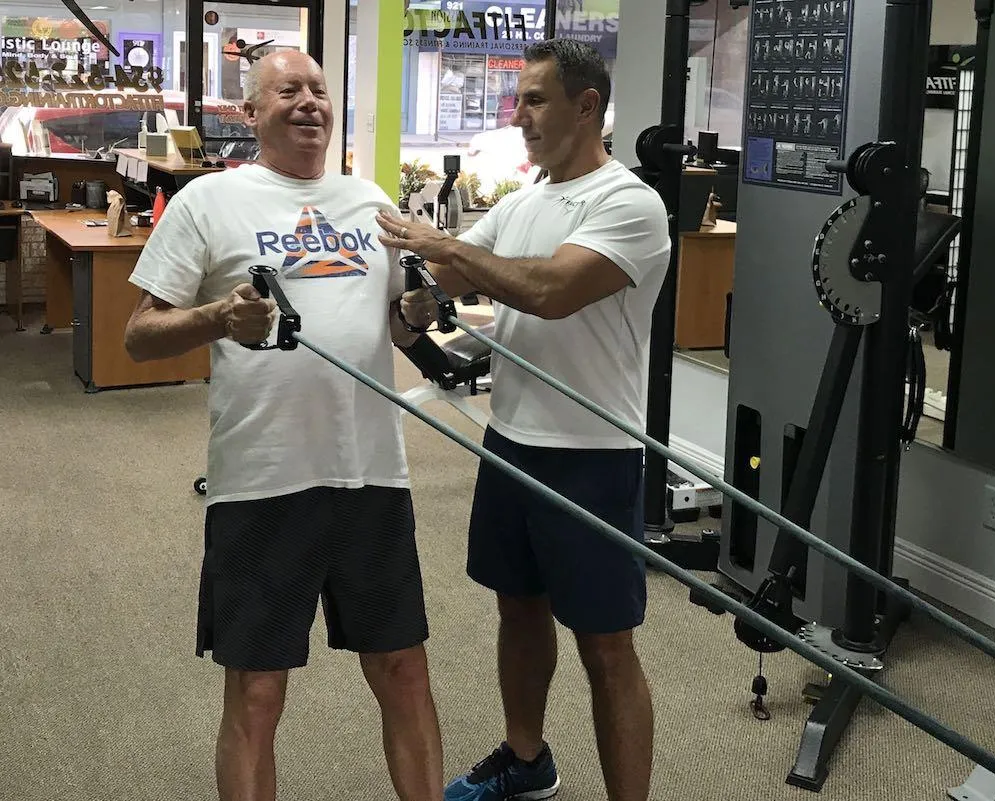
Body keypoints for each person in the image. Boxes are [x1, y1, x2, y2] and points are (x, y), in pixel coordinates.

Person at [123, 50, 443, 801]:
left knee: (404, 671)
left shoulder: (370, 201)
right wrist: (218, 318)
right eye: (288, 90)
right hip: (264, 477)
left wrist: (415, 311)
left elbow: (398, 324)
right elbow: (139, 333)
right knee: (259, 690)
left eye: (319, 91)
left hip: (370, 472)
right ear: (250, 113)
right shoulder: (212, 202)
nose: (309, 103)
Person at [378, 39, 671, 801]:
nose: (520, 117)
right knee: (519, 607)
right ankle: (526, 756)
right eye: (518, 102)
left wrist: (444, 253)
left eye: (535, 100)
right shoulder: (521, 201)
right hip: (512, 443)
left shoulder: (629, 203)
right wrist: (422, 289)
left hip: (593, 452)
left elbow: (549, 289)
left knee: (607, 646)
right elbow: (446, 270)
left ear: (587, 106)